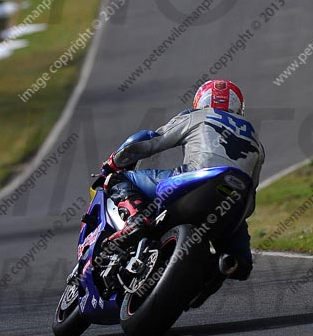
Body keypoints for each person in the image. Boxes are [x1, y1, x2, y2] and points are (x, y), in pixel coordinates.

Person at [101, 79, 265, 281]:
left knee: (119, 178)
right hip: (235, 202)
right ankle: (223, 267)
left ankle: (136, 219)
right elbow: (252, 192)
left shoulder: (197, 116)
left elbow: (151, 140)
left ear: (201, 101)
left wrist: (115, 161)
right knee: (240, 265)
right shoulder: (256, 140)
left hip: (195, 181)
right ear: (239, 107)